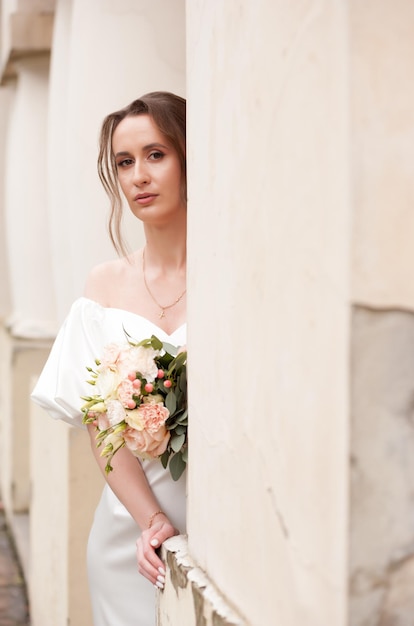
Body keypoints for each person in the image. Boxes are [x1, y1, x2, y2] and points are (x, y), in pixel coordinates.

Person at [31, 91, 187, 625]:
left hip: (222, 530)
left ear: (190, 156)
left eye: (156, 154)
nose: (139, 175)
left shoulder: (232, 279)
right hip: (132, 539)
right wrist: (152, 521)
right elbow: (103, 426)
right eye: (125, 162)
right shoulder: (104, 286)